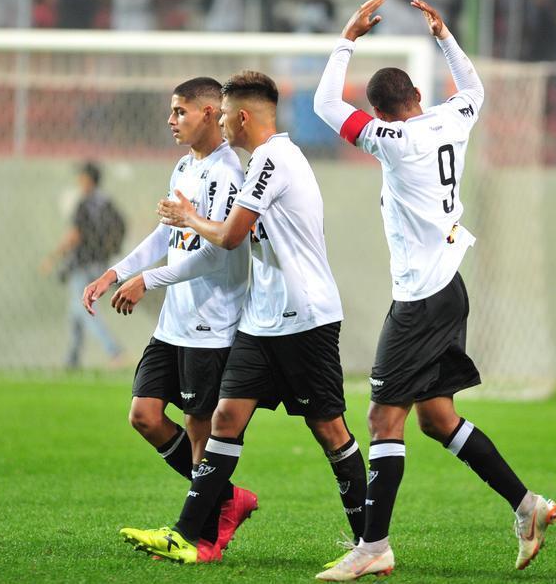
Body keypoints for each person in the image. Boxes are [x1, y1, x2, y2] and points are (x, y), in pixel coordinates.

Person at [311, 0, 556, 580]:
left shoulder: (391, 142)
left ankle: (373, 547)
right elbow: (474, 88)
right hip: (451, 287)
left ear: (381, 113)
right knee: (437, 418)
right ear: (417, 98)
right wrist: (444, 35)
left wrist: (347, 36)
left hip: (422, 298)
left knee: (380, 419)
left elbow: (325, 102)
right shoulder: (452, 118)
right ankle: (528, 507)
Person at [121, 71, 368, 564]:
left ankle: (370, 542)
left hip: (306, 317)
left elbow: (231, 237)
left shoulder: (272, 160)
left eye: (227, 115)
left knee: (330, 431)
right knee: (224, 418)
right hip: (262, 318)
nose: (224, 128)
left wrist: (188, 218)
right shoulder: (259, 160)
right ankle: (191, 536)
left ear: (240, 116)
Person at [81, 78, 257, 558]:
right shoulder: (185, 165)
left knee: (201, 430)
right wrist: (116, 272)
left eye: (179, 111)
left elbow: (217, 254)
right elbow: (164, 236)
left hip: (210, 322)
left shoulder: (227, 174)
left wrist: (149, 282)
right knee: (144, 415)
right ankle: (225, 500)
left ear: (207, 113)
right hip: (174, 323)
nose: (171, 120)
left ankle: (201, 538)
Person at [41, 162, 126, 369]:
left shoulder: (85, 203)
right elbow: (121, 228)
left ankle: (114, 350)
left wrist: (53, 257)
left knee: (83, 308)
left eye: (81, 176)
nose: (79, 180)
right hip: (101, 264)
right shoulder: (107, 204)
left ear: (88, 179)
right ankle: (72, 360)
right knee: (76, 313)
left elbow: (75, 235)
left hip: (82, 264)